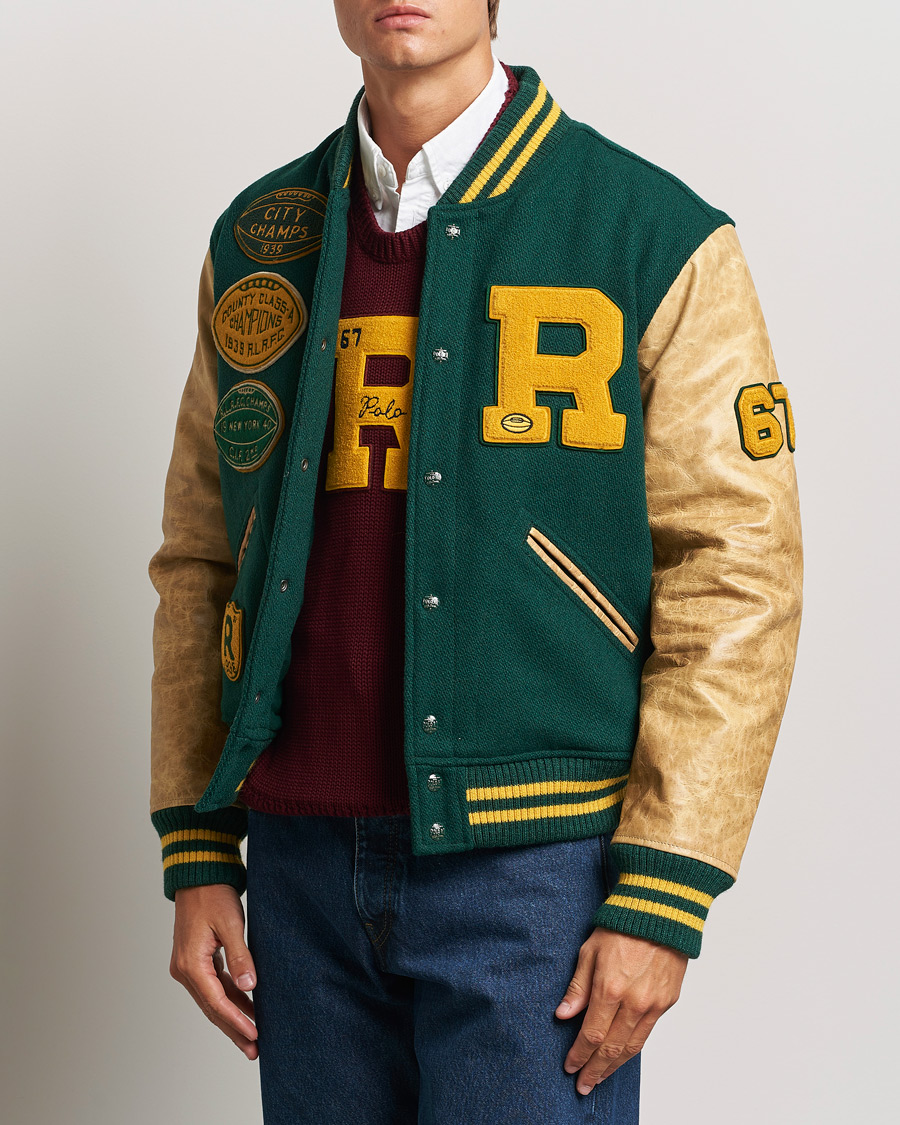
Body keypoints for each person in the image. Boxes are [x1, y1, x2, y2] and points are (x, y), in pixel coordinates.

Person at [147, 2, 803, 1121]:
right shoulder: (256, 237)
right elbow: (204, 557)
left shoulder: (651, 232)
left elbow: (739, 571)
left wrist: (665, 888)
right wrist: (198, 843)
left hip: (538, 871)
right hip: (299, 866)